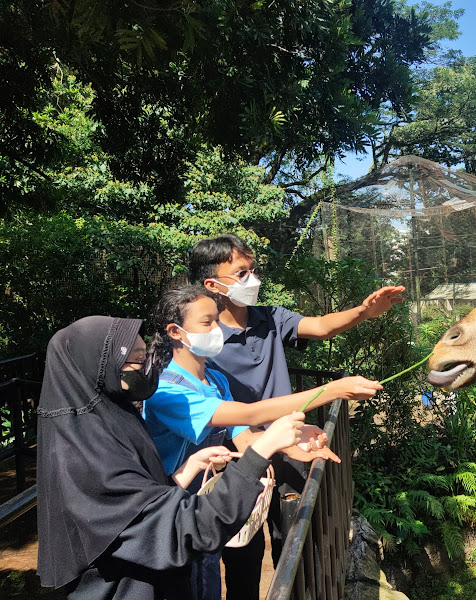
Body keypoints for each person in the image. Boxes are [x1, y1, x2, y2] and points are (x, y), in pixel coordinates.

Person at [188, 233, 404, 598]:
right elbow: (235, 413)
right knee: (244, 555)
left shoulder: (269, 317)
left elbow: (320, 326)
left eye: (253, 270)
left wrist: (364, 312)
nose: (252, 279)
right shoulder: (202, 338)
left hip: (292, 448)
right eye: (241, 273)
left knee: (296, 540)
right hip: (239, 457)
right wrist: (330, 391)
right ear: (213, 283)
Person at [36, 315, 306, 599]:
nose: (147, 367)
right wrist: (260, 452)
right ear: (97, 367)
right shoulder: (84, 455)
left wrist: (182, 473)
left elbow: (135, 509)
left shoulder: (112, 421)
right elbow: (186, 531)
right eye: (136, 360)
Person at [142, 285, 381, 599]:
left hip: (203, 504)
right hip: (169, 507)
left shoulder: (215, 380)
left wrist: (296, 444)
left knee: (207, 580)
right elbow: (250, 412)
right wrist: (331, 391)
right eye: (206, 323)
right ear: (175, 331)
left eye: (217, 321)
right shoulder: (166, 391)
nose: (217, 330)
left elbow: (242, 434)